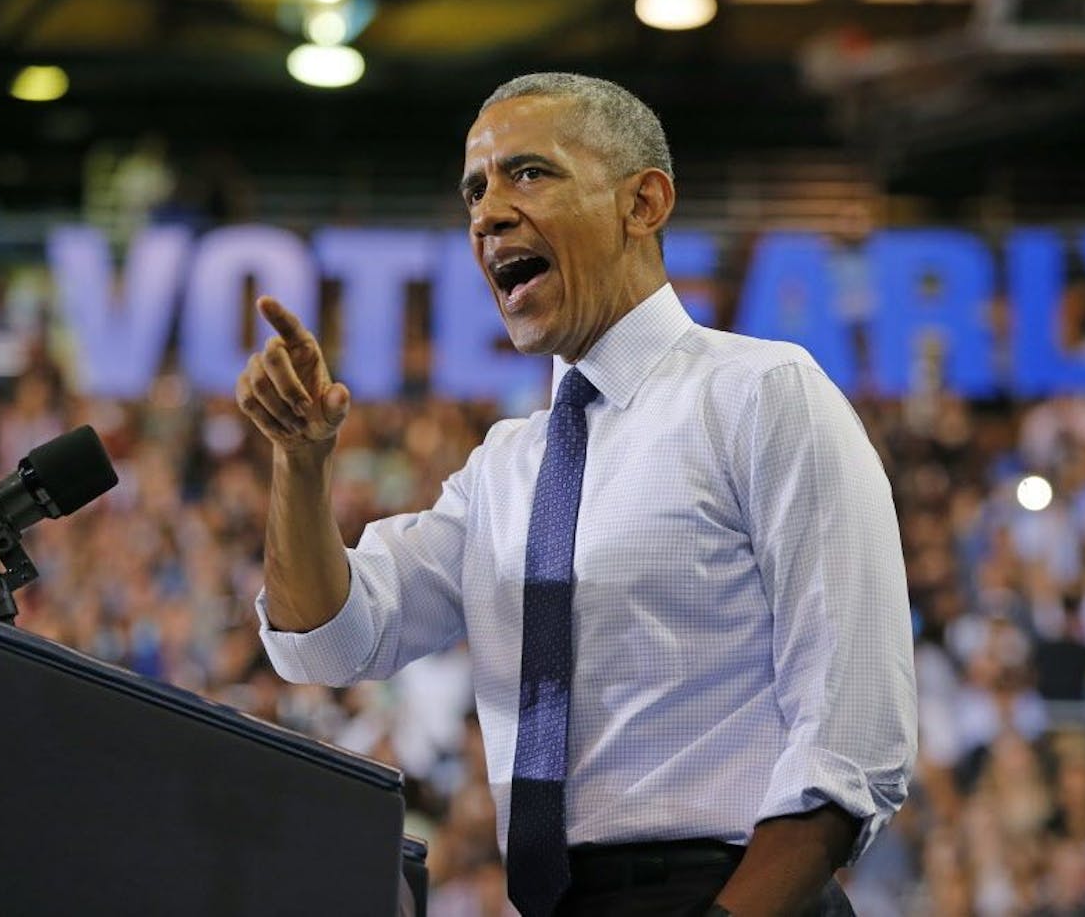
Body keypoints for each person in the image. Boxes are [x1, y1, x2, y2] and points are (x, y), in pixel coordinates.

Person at [238, 72, 916, 917]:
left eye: (528, 173)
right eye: (474, 189)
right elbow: (329, 641)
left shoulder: (763, 393)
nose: (486, 213)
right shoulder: (505, 468)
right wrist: (299, 465)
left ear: (645, 202)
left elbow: (852, 740)